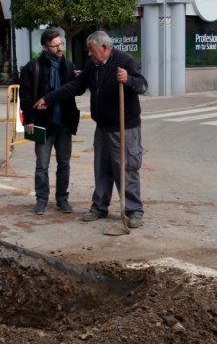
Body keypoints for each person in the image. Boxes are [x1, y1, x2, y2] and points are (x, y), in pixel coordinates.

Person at [35, 30, 148, 228]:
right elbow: (75, 86)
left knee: (126, 169)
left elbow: (143, 85)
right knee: (102, 169)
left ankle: (133, 211)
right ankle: (99, 207)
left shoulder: (124, 61)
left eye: (91, 50)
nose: (89, 54)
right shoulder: (92, 66)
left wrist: (128, 79)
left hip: (124, 127)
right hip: (102, 128)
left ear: (104, 48)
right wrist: (48, 98)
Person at [18, 29, 80, 215]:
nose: (60, 48)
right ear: (45, 47)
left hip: (64, 123)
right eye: (55, 46)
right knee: (42, 165)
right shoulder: (33, 66)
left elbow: (75, 91)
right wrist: (28, 118)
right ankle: (41, 200)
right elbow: (25, 95)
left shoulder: (68, 66)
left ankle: (62, 199)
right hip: (43, 123)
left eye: (61, 44)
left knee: (64, 163)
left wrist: (79, 80)